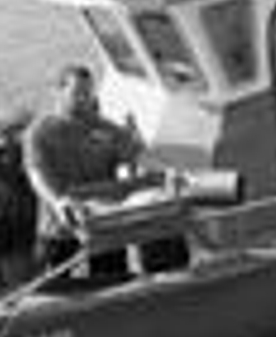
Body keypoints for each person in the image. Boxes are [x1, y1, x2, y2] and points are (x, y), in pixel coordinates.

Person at [22, 63, 188, 278]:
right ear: (59, 92)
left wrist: (167, 170)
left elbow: (142, 156)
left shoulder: (104, 128)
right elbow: (36, 174)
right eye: (77, 93)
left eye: (88, 93)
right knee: (51, 291)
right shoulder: (39, 132)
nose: (84, 99)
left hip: (103, 227)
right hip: (60, 229)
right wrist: (57, 201)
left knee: (112, 281)